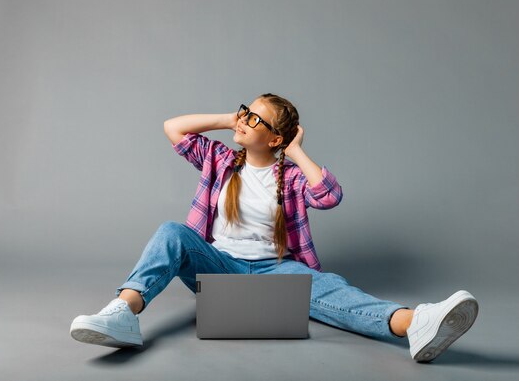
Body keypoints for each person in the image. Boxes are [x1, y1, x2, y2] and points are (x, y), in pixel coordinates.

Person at [69, 93, 478, 362]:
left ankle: (416, 325)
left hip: (276, 270)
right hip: (219, 266)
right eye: (245, 112)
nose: (244, 121)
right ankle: (122, 314)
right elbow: (173, 128)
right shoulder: (219, 159)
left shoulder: (292, 177)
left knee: (332, 288)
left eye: (255, 119)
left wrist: (296, 151)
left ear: (276, 137)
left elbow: (330, 195)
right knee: (171, 233)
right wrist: (230, 117)